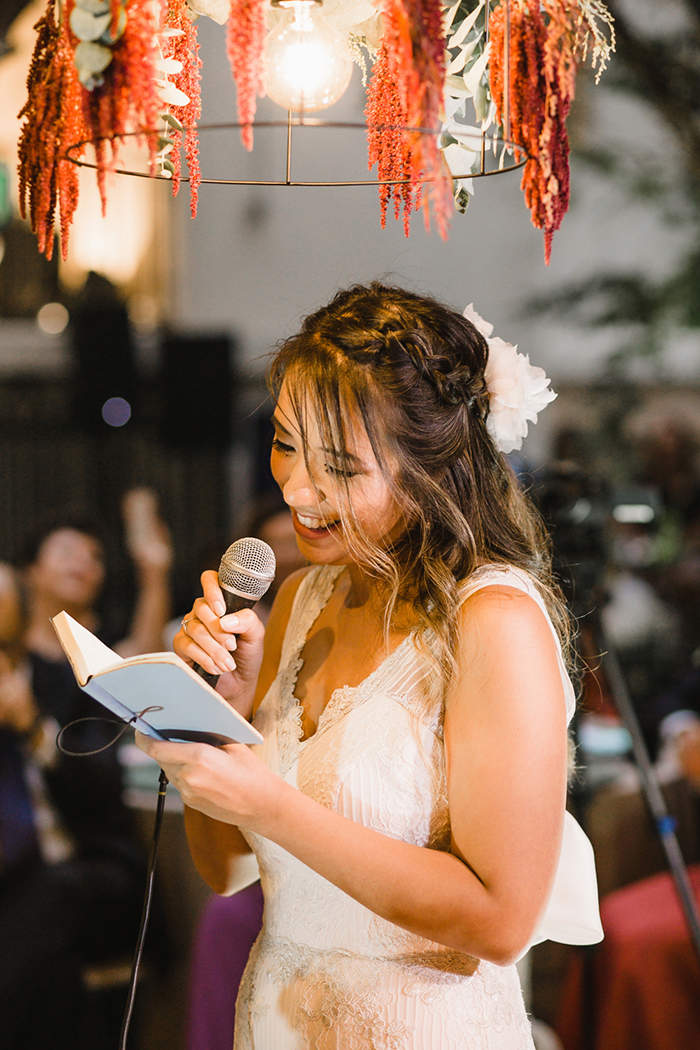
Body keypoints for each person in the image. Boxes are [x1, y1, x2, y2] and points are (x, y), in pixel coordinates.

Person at [137, 283, 602, 1049]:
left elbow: (500, 919)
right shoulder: (299, 600)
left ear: (432, 467)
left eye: (341, 468)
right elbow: (225, 868)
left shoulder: (494, 622)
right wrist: (219, 711)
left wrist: (271, 805)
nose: (296, 489)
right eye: (286, 444)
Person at [0, 491, 172, 1050]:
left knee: (41, 903)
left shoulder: (85, 679)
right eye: (68, 551)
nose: (85, 564)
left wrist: (31, 726)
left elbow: (100, 788)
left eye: (95, 556)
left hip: (91, 869)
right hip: (24, 876)